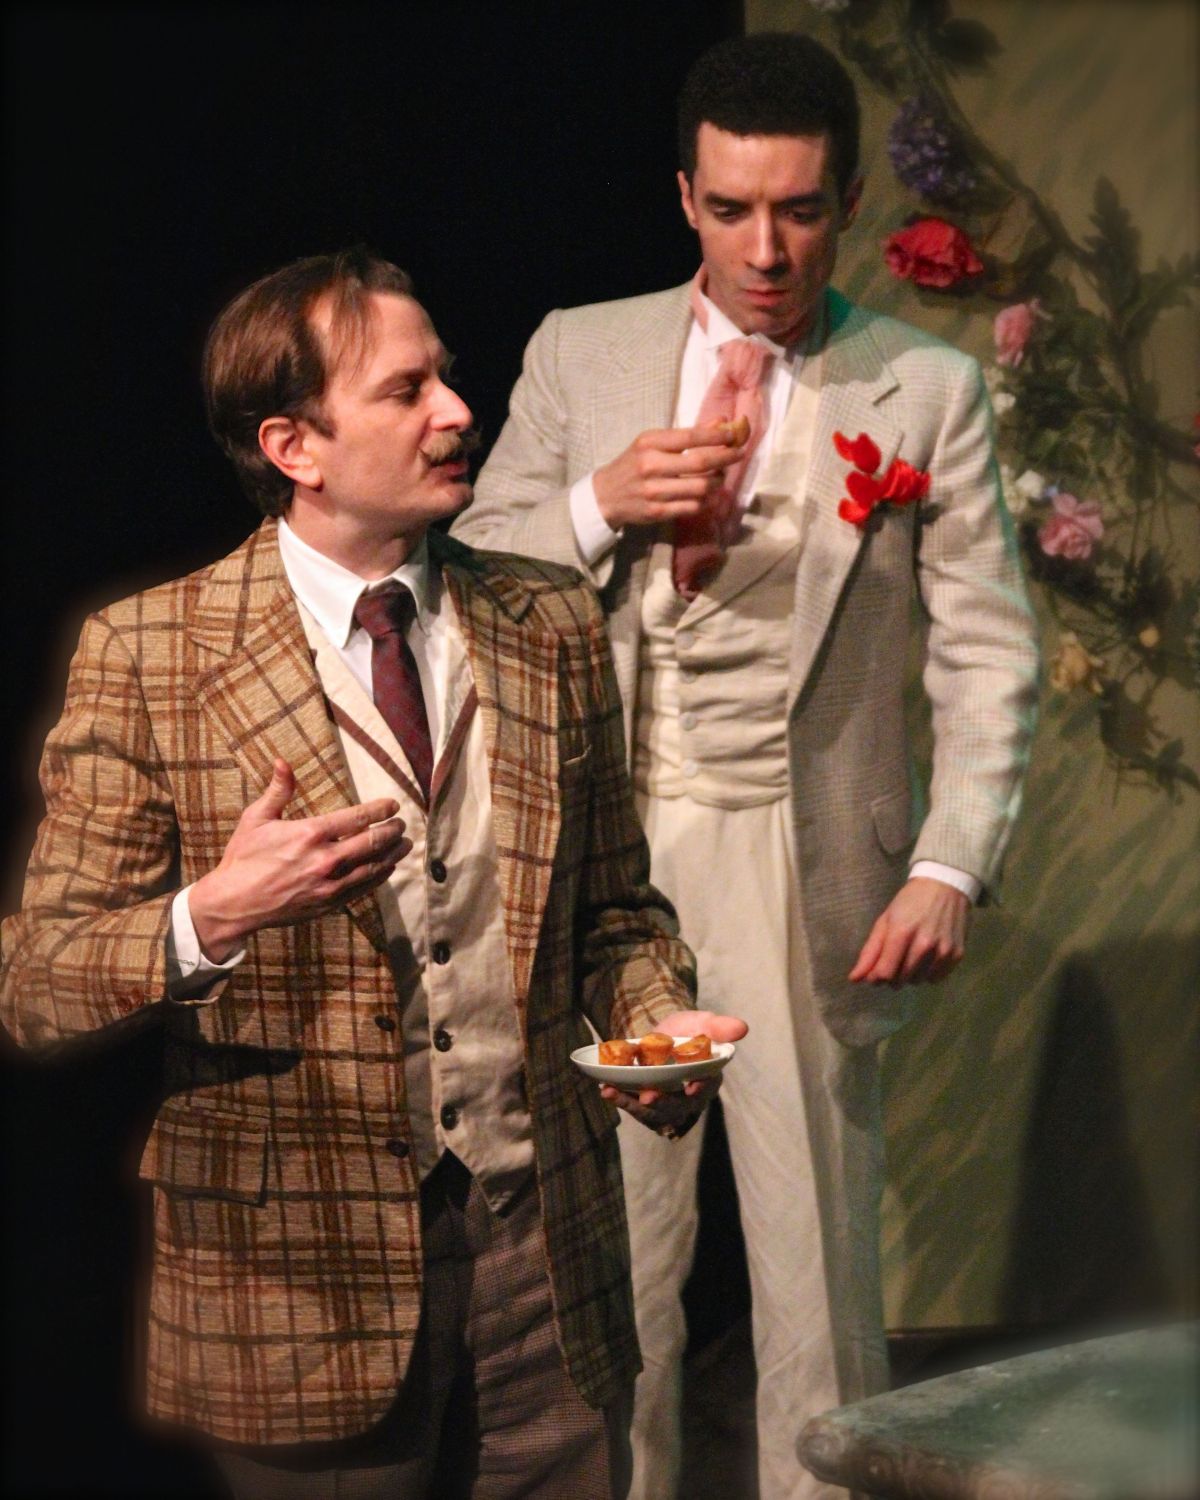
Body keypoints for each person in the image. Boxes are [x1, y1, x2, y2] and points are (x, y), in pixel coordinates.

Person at [0, 247, 748, 1500]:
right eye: (407, 390)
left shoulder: (549, 621)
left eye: (445, 376)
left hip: (542, 1261)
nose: (457, 411)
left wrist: (656, 1018)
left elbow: (614, 911)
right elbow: (35, 983)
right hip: (300, 1280)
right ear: (293, 445)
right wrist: (210, 914)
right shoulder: (151, 651)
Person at [452, 31, 1041, 1500]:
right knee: (621, 1261)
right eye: (730, 210)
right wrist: (597, 504)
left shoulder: (923, 388)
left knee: (818, 1268)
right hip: (615, 862)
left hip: (808, 855)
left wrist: (949, 862)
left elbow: (987, 652)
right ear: (684, 197)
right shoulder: (580, 351)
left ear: (846, 203)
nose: (764, 250)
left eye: (796, 211)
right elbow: (470, 569)